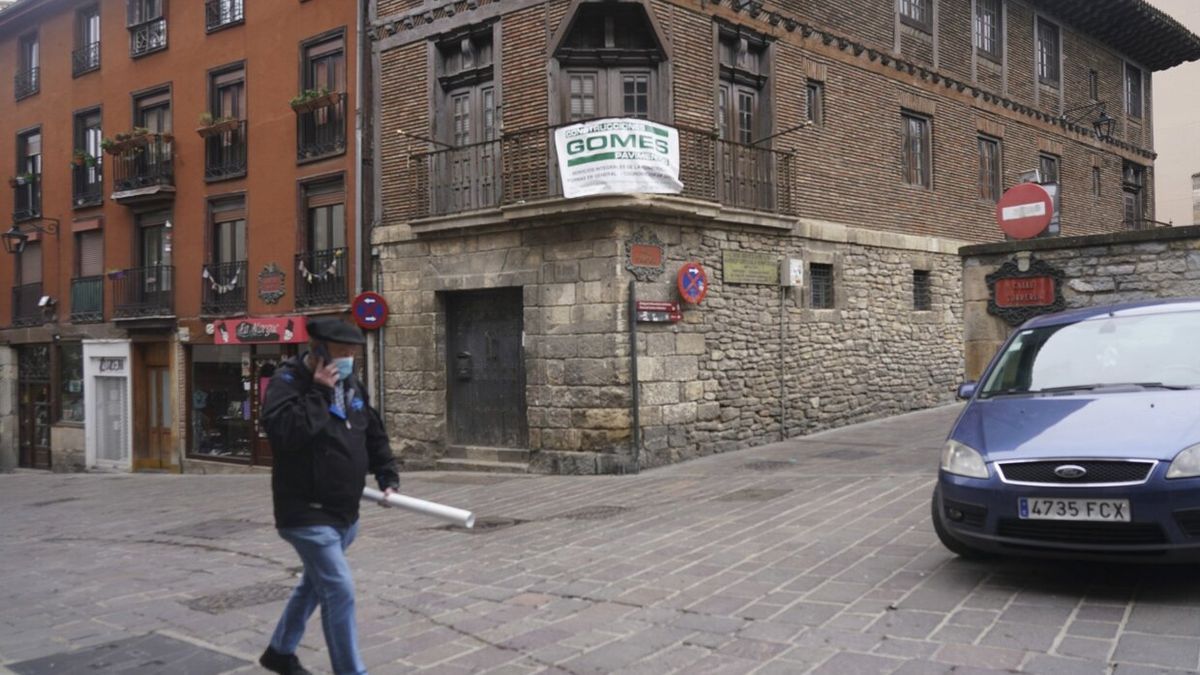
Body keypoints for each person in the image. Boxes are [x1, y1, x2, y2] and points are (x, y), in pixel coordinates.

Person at [258, 317, 399, 675]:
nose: (348, 358)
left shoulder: (352, 384)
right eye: (341, 352)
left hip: (344, 514)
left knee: (312, 585)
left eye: (353, 352)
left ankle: (280, 651)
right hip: (305, 511)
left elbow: (371, 431)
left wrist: (387, 474)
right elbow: (286, 434)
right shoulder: (286, 382)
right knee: (339, 589)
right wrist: (319, 392)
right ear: (317, 350)